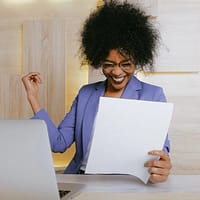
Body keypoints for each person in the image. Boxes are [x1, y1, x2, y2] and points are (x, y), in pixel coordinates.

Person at [22, 1, 172, 184]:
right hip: (81, 182)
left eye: (126, 64)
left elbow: (161, 151)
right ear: (99, 60)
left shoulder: (153, 96)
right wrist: (33, 98)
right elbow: (58, 144)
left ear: (138, 60)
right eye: (109, 65)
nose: (117, 72)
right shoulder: (86, 94)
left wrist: (162, 166)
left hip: (126, 185)